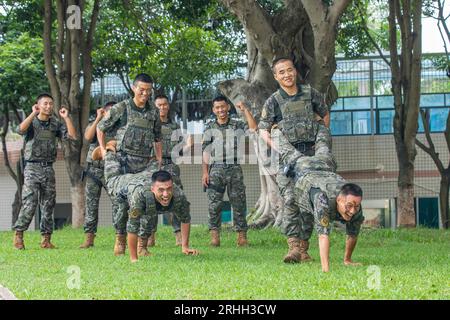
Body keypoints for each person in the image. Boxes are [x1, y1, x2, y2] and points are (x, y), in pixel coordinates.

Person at [257, 57, 330, 261]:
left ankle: (304, 249)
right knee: (289, 199)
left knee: (308, 201)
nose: (287, 75)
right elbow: (263, 128)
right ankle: (293, 248)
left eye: (289, 70)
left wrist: (320, 142)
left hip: (311, 157)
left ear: (295, 72)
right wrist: (276, 146)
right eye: (281, 72)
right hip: (287, 160)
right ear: (275, 76)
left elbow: (324, 115)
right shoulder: (273, 101)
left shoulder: (310, 94)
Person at [97, 73, 162, 254]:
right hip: (123, 161)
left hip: (144, 163)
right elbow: (101, 128)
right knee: (121, 202)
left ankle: (142, 245)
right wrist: (103, 150)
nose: (145, 93)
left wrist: (158, 159)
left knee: (147, 200)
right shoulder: (122, 108)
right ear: (134, 88)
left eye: (148, 90)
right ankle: (120, 239)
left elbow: (157, 138)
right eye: (142, 89)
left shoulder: (154, 111)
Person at [102, 142, 199, 262]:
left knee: (150, 206)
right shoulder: (139, 195)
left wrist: (185, 247)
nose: (166, 194)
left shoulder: (179, 196)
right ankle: (108, 151)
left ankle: (142, 246)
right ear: (153, 189)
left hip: (146, 176)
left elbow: (185, 219)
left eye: (169, 189)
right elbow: (133, 227)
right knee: (112, 175)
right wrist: (134, 259)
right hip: (124, 184)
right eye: (161, 190)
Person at [13, 93, 76, 249]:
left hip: (48, 168)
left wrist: (66, 118)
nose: (48, 106)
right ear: (38, 105)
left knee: (48, 204)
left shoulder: (55, 124)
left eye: (50, 104)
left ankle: (46, 240)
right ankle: (19, 235)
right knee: (30, 203)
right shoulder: (32, 122)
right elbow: (20, 130)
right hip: (32, 168)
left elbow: (72, 136)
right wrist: (33, 113)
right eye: (45, 104)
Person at [202, 96, 257, 247]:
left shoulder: (237, 124)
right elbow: (205, 151)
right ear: (213, 110)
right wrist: (205, 172)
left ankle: (241, 237)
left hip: (234, 168)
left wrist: (245, 110)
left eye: (223, 107)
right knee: (214, 204)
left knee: (239, 202)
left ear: (228, 107)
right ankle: (215, 236)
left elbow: (253, 128)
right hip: (216, 169)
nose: (220, 110)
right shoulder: (209, 127)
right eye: (217, 108)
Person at [292, 170, 365, 272]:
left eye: (356, 206)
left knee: (354, 221)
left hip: (329, 177)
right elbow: (323, 235)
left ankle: (347, 259)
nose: (353, 211)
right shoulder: (322, 199)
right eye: (349, 206)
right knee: (306, 220)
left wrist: (347, 260)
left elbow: (353, 233)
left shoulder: (354, 204)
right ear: (339, 200)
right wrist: (326, 270)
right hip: (304, 185)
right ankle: (298, 250)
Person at [147, 94, 193, 247]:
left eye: (165, 104)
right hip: (153, 165)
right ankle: (150, 236)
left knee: (176, 200)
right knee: (150, 200)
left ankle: (179, 236)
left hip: (171, 165)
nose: (162, 107)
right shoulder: (149, 125)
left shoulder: (174, 127)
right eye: (159, 105)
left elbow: (179, 151)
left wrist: (187, 146)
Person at [79, 101, 118, 249]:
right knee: (91, 205)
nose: (110, 114)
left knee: (118, 203)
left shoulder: (121, 127)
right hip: (93, 171)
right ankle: (89, 238)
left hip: (112, 171)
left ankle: (119, 235)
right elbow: (88, 138)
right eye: (108, 111)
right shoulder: (98, 125)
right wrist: (97, 119)